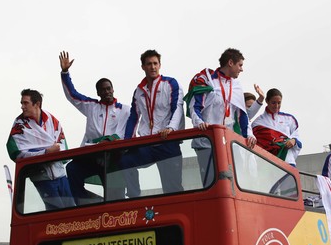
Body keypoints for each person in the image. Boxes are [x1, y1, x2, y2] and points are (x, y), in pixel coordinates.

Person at [59, 51, 130, 204]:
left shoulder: (124, 110)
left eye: (108, 88)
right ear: (98, 92)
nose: (106, 92)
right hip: (91, 157)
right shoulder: (91, 106)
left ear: (113, 89)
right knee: (72, 169)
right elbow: (72, 94)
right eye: (103, 90)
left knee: (115, 200)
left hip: (113, 159)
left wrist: (106, 141)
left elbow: (123, 134)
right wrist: (65, 72)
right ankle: (85, 206)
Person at [184, 48, 257, 186]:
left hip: (228, 142)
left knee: (234, 182)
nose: (241, 69)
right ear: (230, 63)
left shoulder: (236, 86)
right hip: (207, 141)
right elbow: (194, 106)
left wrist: (249, 134)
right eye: (240, 65)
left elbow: (242, 115)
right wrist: (199, 123)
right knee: (211, 183)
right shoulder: (207, 80)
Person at [120, 49, 185, 197]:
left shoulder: (170, 83)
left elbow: (178, 108)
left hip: (167, 142)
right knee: (125, 161)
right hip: (147, 143)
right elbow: (133, 117)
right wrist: (126, 142)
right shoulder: (139, 90)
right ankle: (134, 197)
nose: (153, 67)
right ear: (143, 66)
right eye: (149, 64)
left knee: (172, 188)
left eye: (155, 63)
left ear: (160, 65)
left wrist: (171, 128)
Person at [6, 89, 75, 210]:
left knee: (72, 212)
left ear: (37, 104)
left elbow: (62, 144)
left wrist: (54, 151)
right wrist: (45, 153)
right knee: (55, 214)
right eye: (21, 103)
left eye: (25, 103)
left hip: (61, 175)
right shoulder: (19, 125)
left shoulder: (52, 120)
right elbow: (17, 154)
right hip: (41, 177)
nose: (22, 107)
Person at [251, 88, 302, 167]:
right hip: (267, 164)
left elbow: (298, 140)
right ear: (267, 101)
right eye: (273, 103)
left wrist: (294, 141)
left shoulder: (290, 119)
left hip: (288, 162)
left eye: (279, 103)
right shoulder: (257, 123)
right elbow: (255, 146)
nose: (276, 106)